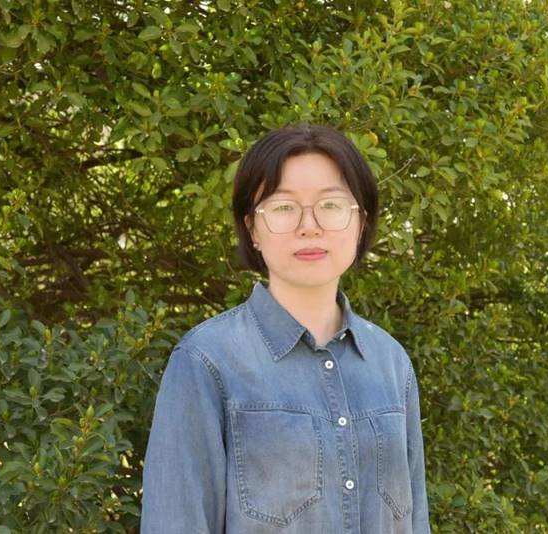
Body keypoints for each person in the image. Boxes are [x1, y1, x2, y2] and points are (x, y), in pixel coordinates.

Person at [141, 124, 431, 533]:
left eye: (331, 205)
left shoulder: (391, 364)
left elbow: (415, 521)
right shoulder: (207, 362)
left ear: (361, 222)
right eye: (283, 207)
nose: (309, 226)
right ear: (252, 228)